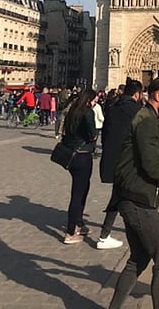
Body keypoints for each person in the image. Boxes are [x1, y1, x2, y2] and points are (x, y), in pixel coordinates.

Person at [108, 77, 159, 309]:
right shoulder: (146, 121)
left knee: (139, 259)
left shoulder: (148, 118)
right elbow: (150, 165)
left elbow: (152, 160)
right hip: (138, 200)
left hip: (132, 196)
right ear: (157, 96)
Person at [97, 78, 143, 250]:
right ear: (137, 94)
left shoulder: (112, 107)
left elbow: (105, 134)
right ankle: (107, 235)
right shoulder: (137, 110)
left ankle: (106, 234)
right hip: (129, 160)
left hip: (112, 159)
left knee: (119, 195)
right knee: (131, 196)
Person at [61, 89, 98, 244]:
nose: (96, 102)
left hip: (72, 156)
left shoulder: (72, 112)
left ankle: (79, 224)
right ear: (89, 100)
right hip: (82, 156)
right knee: (78, 194)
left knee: (81, 190)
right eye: (95, 100)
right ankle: (70, 232)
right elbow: (92, 134)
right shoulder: (87, 113)